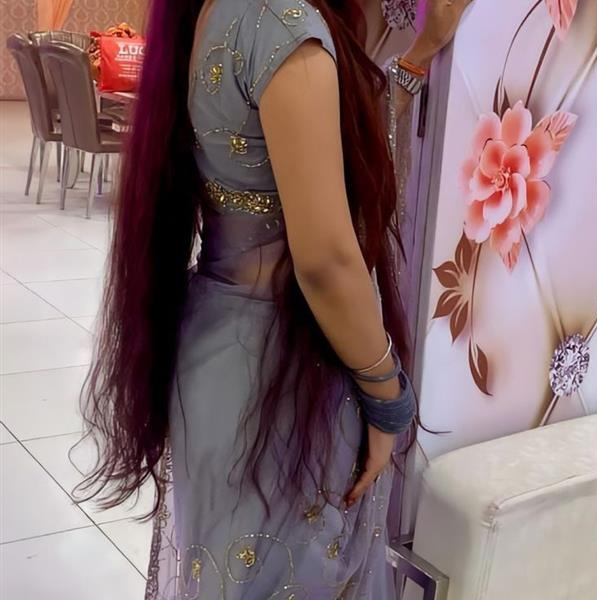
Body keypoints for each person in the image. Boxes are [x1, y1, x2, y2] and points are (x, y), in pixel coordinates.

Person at [77, 0, 472, 597]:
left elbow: (319, 160)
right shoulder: (284, 26)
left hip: (221, 355)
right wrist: (387, 395)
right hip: (283, 374)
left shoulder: (218, 12)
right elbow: (327, 261)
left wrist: (415, 60)